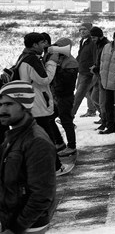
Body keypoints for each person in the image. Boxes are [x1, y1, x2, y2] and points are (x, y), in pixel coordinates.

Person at [0, 81, 57, 234]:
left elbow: (42, 195)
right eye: (1, 104)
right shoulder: (13, 136)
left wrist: (15, 228)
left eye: (8, 104)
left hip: (28, 226)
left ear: (24, 106)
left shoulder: (36, 142)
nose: (2, 110)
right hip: (12, 219)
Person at [17, 32, 71, 176]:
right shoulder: (32, 60)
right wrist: (52, 62)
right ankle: (55, 168)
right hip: (37, 105)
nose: (45, 45)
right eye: (42, 43)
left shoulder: (25, 57)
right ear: (34, 45)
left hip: (32, 104)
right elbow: (44, 79)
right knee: (46, 139)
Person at [48, 38, 79, 157]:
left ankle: (71, 146)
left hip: (65, 96)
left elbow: (66, 82)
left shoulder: (71, 62)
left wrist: (56, 67)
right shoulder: (61, 59)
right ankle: (59, 142)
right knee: (50, 118)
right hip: (57, 96)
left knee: (66, 121)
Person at [71, 22, 97, 118]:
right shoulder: (83, 41)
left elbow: (95, 57)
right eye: (80, 29)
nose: (82, 31)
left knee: (79, 95)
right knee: (88, 92)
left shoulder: (92, 42)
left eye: (84, 29)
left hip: (88, 73)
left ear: (90, 30)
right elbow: (81, 55)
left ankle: (69, 116)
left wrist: (94, 68)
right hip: (82, 70)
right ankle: (98, 113)